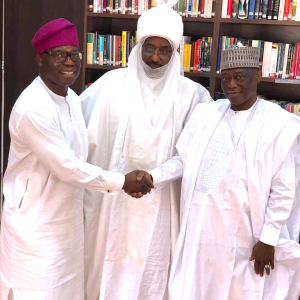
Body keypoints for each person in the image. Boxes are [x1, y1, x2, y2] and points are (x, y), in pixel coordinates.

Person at [0, 18, 152, 300]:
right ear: (40, 60)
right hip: (36, 230)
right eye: (58, 55)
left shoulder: (69, 97)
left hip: (68, 225)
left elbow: (80, 154)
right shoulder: (34, 107)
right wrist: (122, 181)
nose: (69, 62)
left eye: (74, 54)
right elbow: (67, 167)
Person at [80, 4, 212, 300]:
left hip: (164, 203)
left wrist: (154, 175)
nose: (154, 57)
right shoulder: (112, 85)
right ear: (137, 46)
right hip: (112, 203)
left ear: (176, 52)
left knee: (155, 272)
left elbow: (194, 153)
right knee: (107, 268)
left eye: (164, 51)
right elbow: (77, 133)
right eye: (148, 48)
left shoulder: (194, 96)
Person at [147, 45, 300, 300]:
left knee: (243, 290)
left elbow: (284, 188)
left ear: (258, 75)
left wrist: (269, 239)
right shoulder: (206, 115)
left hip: (248, 233)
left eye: (239, 77)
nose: (231, 84)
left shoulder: (278, 124)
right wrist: (154, 177)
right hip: (202, 228)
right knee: (200, 288)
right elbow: (184, 161)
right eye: (225, 77)